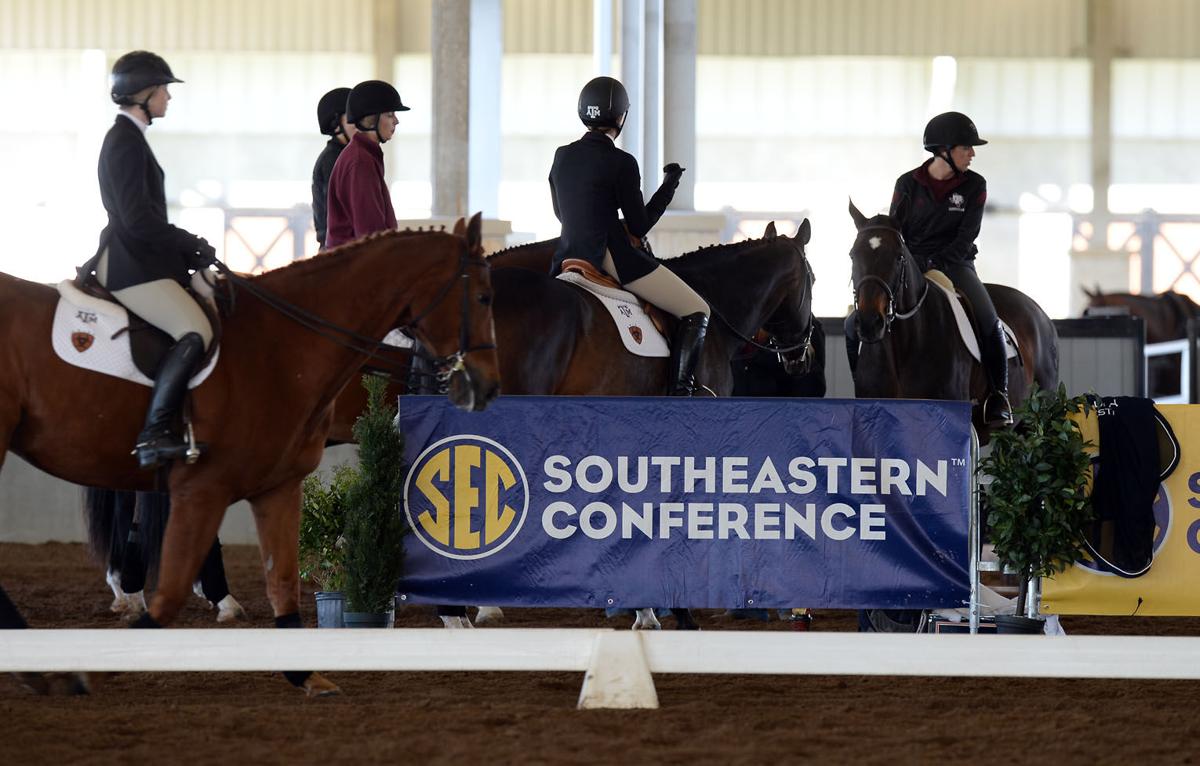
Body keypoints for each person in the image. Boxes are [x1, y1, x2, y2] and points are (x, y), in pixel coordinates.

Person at [91, 51, 217, 470]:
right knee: (195, 329)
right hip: (130, 264)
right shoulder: (123, 141)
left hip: (141, 258)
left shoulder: (131, 139)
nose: (168, 97)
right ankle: (155, 433)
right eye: (163, 89)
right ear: (143, 94)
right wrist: (187, 242)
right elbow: (137, 220)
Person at [845, 110, 1010, 425]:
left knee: (989, 320)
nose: (972, 154)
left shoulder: (975, 185)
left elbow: (967, 237)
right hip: (909, 264)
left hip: (957, 264)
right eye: (966, 148)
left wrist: (935, 262)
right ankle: (863, 386)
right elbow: (895, 230)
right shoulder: (907, 183)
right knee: (854, 324)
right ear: (944, 151)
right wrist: (908, 263)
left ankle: (998, 396)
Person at [549, 76, 710, 396]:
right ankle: (682, 394)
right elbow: (639, 226)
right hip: (611, 258)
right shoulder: (621, 162)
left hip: (566, 257)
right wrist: (669, 185)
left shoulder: (561, 155)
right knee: (697, 310)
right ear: (621, 117)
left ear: (583, 113)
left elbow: (561, 213)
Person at [324, 79, 408, 250]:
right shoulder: (360, 162)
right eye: (390, 114)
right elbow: (370, 235)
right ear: (371, 119)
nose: (396, 121)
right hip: (354, 266)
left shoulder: (364, 155)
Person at [311, 87, 355, 250]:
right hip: (337, 250)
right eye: (352, 117)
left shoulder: (345, 155)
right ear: (336, 123)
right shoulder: (333, 159)